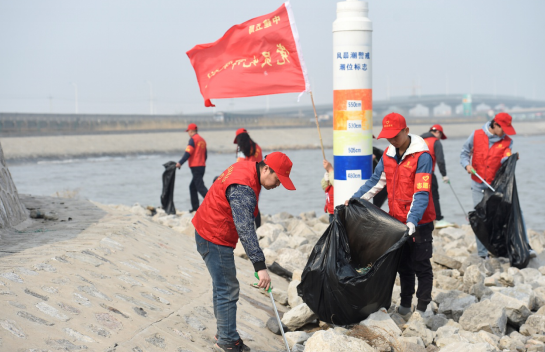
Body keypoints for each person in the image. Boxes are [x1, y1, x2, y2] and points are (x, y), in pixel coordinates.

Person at [192, 152, 296, 352]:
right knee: (228, 289)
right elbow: (245, 229)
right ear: (266, 169)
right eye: (278, 179)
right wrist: (260, 266)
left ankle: (225, 333)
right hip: (213, 236)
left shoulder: (248, 167)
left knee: (222, 286)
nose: (278, 184)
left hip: (207, 229)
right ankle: (227, 342)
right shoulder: (243, 187)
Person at [346, 112, 436, 316]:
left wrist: (412, 221)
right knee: (402, 265)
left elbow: (421, 192)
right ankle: (405, 305)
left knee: (421, 264)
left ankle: (423, 307)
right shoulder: (387, 154)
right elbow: (376, 182)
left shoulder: (422, 156)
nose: (392, 140)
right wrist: (355, 199)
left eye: (396, 135)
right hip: (396, 221)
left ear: (406, 131)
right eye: (388, 136)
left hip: (420, 221)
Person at [460, 112, 536, 259]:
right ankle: (483, 254)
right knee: (480, 218)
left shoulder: (507, 141)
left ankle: (525, 246)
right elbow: (463, 154)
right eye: (503, 129)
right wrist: (466, 166)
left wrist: (511, 158)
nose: (505, 133)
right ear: (495, 124)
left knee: (514, 212)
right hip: (477, 184)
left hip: (496, 186)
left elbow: (504, 158)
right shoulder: (476, 135)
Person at [421, 124, 451, 228]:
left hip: (414, 173)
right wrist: (444, 175)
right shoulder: (435, 142)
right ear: (438, 132)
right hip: (428, 174)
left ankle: (421, 219)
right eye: (440, 136)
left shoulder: (419, 139)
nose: (440, 139)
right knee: (434, 196)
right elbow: (440, 160)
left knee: (419, 196)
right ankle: (438, 219)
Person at [234, 128, 263, 228]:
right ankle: (258, 228)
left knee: (243, 203)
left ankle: (245, 227)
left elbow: (239, 165)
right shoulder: (257, 147)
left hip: (245, 179)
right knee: (254, 204)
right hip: (257, 179)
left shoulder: (241, 148)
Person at [176, 123, 208, 212]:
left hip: (196, 166)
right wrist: (202, 162)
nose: (188, 133)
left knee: (200, 187)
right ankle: (195, 208)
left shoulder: (193, 140)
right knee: (193, 187)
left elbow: (188, 153)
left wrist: (180, 163)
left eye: (188, 132)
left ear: (190, 131)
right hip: (202, 166)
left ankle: (213, 203)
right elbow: (205, 155)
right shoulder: (202, 140)